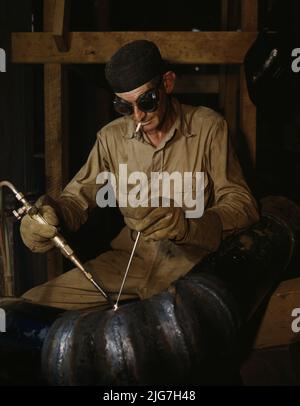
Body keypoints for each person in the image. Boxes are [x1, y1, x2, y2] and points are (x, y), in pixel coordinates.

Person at [20, 40, 259, 310]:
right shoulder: (111, 137)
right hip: (130, 261)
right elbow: (76, 200)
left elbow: (243, 205)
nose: (138, 116)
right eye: (125, 106)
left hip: (192, 262)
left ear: (167, 84)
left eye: (147, 101)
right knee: (33, 306)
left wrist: (190, 227)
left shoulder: (208, 128)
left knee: (171, 329)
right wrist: (49, 215)